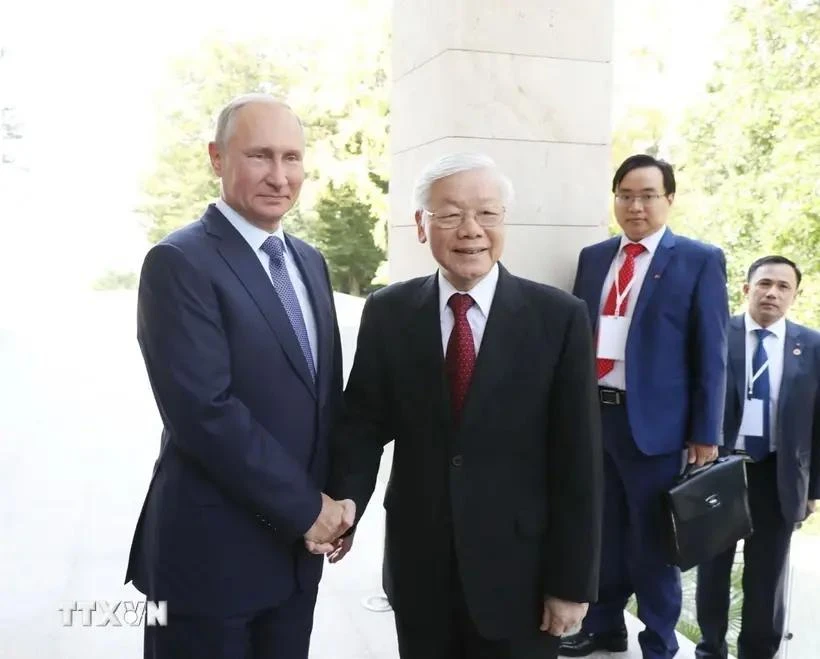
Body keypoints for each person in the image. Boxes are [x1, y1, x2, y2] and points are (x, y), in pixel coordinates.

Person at [320, 152, 603, 659]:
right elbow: (363, 422)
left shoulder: (558, 318)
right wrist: (344, 503)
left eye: (487, 213)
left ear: (503, 222)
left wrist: (572, 583)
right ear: (422, 225)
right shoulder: (389, 313)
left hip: (522, 578)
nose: (471, 230)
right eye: (450, 214)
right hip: (419, 569)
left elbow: (578, 460)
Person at [124, 93, 352, 659]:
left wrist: (342, 503)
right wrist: (309, 508)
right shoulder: (179, 262)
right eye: (260, 156)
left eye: (292, 158)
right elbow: (206, 413)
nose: (280, 176)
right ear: (216, 158)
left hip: (295, 564)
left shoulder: (308, 259)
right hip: (210, 563)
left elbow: (324, 399)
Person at [561, 154, 729, 659]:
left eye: (648, 195)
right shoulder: (594, 257)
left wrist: (706, 431)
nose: (635, 206)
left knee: (653, 543)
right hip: (596, 416)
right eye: (626, 195)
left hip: (655, 428)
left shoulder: (698, 259)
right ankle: (604, 626)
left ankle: (658, 643)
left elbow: (712, 353)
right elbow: (575, 339)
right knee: (603, 533)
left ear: (669, 200)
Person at [695, 255, 820, 659]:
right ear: (747, 289)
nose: (772, 293)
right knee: (713, 569)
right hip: (721, 470)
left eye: (783, 287)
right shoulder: (717, 332)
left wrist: (813, 489)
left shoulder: (812, 345)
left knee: (767, 576)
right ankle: (710, 649)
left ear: (794, 296)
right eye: (764, 283)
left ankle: (758, 653)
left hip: (777, 474)